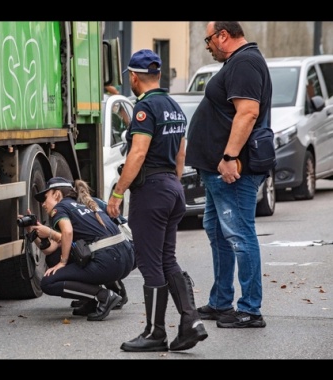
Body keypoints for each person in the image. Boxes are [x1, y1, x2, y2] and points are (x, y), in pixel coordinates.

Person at [107, 49, 208, 352]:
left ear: (134, 77)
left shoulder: (145, 108)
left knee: (151, 264)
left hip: (151, 192)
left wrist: (116, 193)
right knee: (167, 259)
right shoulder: (174, 107)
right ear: (159, 75)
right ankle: (191, 322)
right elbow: (180, 153)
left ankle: (155, 333)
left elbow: (137, 154)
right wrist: (172, 185)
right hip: (173, 189)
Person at [185, 21, 272, 328]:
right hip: (217, 171)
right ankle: (222, 302)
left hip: (232, 171)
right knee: (219, 231)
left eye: (208, 39)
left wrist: (229, 157)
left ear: (223, 35)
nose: (207, 45)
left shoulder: (245, 62)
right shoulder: (240, 62)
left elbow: (247, 112)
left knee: (239, 235)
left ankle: (250, 310)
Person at [27, 177, 134, 321]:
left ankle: (103, 296)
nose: (43, 204)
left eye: (45, 198)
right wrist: (32, 232)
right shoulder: (89, 202)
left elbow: (68, 232)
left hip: (108, 262)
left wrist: (63, 262)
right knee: (55, 257)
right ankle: (101, 296)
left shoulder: (60, 208)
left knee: (48, 282)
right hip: (128, 257)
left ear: (57, 194)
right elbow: (50, 249)